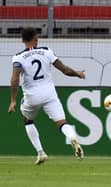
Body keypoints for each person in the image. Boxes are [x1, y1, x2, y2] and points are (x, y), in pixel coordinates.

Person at [8, 27, 85, 165]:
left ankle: (40, 153)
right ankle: (72, 136)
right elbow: (65, 70)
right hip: (50, 94)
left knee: (27, 120)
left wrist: (13, 100)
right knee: (62, 123)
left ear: (22, 40)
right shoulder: (47, 51)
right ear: (36, 39)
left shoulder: (18, 57)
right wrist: (77, 73)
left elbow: (14, 79)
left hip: (32, 96)